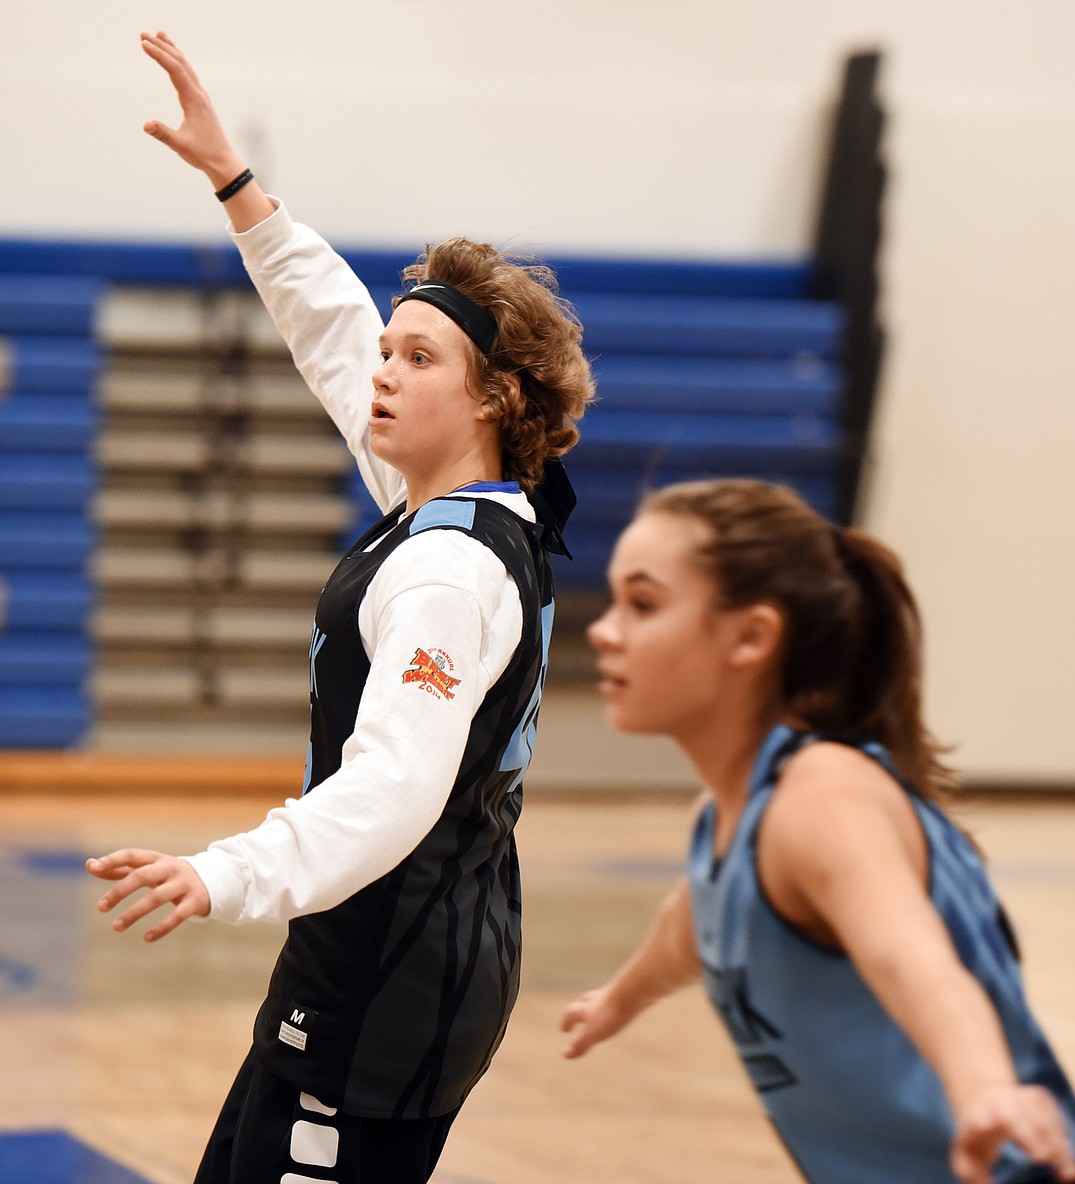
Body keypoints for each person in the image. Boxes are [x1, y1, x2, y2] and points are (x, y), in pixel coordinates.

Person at [87, 30, 594, 1184]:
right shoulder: (457, 506)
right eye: (393, 348)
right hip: (380, 961)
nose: (382, 366)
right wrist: (238, 186)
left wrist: (228, 870)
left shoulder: (446, 574)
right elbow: (330, 328)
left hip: (388, 984)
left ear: (491, 400)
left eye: (416, 357)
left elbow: (392, 787)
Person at [560, 479, 1075, 1184]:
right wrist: (622, 998)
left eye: (643, 604)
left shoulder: (821, 798)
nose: (604, 631)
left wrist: (985, 1091)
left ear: (751, 636)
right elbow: (694, 920)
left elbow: (913, 961)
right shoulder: (728, 815)